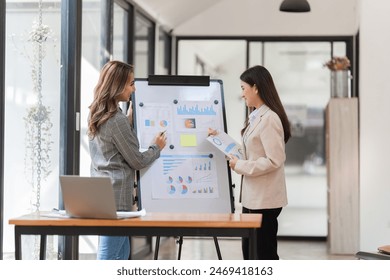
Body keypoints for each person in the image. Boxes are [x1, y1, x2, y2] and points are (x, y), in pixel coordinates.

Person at [88, 60, 167, 260]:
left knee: (120, 254)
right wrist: (156, 147)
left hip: (100, 194)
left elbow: (112, 149)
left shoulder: (99, 113)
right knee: (111, 255)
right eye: (131, 83)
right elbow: (138, 160)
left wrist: (129, 120)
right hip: (117, 199)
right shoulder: (117, 120)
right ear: (118, 85)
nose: (134, 87)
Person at [210, 65, 291, 260]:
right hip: (253, 199)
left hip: (264, 201)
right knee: (250, 255)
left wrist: (240, 166)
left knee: (263, 256)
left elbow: (274, 160)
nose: (242, 94)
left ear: (256, 87)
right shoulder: (255, 116)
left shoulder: (269, 118)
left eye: (243, 88)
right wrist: (221, 139)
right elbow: (251, 152)